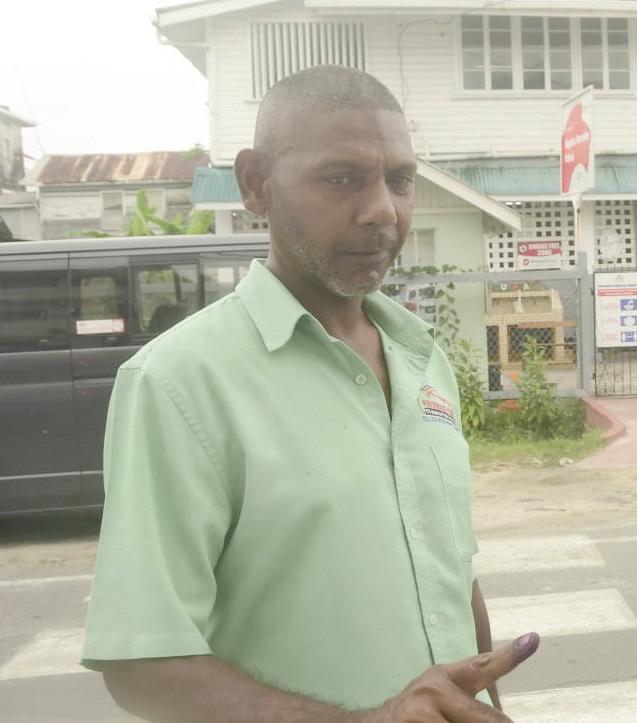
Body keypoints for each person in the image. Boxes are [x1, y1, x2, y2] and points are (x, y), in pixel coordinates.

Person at [82, 65, 539, 722]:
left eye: (400, 179)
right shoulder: (178, 381)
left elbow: (448, 572)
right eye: (341, 178)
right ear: (255, 184)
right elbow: (140, 664)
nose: (383, 210)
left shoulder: (422, 358)